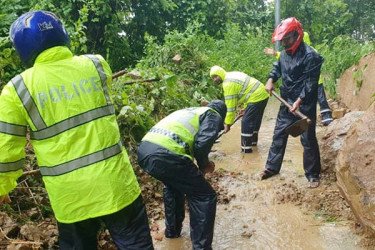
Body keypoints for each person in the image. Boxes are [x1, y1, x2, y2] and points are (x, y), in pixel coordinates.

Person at [0, 11, 153, 249]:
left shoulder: (16, 90)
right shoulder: (96, 64)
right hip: (117, 186)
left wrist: (2, 187)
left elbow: (7, 153)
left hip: (71, 200)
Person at [137, 100, 226, 250]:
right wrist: (204, 165)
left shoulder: (190, 111)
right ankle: (202, 247)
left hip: (144, 151)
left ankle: (173, 233)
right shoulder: (213, 115)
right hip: (166, 154)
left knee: (173, 187)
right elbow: (202, 144)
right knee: (205, 196)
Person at [259, 17, 323, 188]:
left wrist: (299, 101)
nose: (284, 43)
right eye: (282, 40)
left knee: (308, 139)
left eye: (286, 39)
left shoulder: (311, 56)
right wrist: (271, 79)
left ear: (297, 35)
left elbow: (310, 83)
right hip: (286, 102)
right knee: (279, 134)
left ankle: (313, 174)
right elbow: (277, 68)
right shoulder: (285, 55)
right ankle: (271, 168)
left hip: (305, 105)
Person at [264, 32, 333, 126]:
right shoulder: (293, 52)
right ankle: (326, 119)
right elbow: (287, 59)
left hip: (315, 82)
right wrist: (275, 54)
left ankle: (327, 119)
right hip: (307, 85)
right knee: (320, 100)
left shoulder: (310, 53)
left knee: (321, 100)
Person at [210, 66, 269, 153]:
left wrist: (228, 124)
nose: (215, 79)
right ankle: (253, 143)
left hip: (256, 96)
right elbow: (247, 90)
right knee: (255, 120)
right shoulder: (231, 75)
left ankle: (246, 150)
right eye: (213, 78)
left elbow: (230, 107)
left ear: (220, 73)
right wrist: (245, 108)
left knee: (246, 122)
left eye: (216, 76)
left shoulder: (228, 84)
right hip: (263, 93)